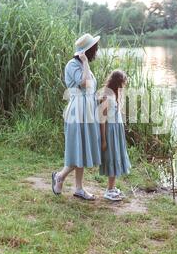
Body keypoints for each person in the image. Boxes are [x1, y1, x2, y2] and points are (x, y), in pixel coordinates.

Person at [52, 33, 101, 200]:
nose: (96, 52)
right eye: (94, 49)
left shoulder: (83, 65)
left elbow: (91, 89)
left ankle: (79, 188)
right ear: (87, 51)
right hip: (77, 111)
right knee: (77, 149)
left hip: (87, 111)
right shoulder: (73, 65)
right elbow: (83, 83)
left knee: (84, 148)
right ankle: (60, 176)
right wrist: (86, 62)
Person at [98, 70, 131, 201]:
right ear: (118, 82)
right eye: (123, 83)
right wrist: (104, 140)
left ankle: (112, 187)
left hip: (116, 131)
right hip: (110, 132)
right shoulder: (107, 97)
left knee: (116, 155)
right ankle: (109, 190)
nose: (124, 86)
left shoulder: (114, 95)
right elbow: (102, 119)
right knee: (112, 156)